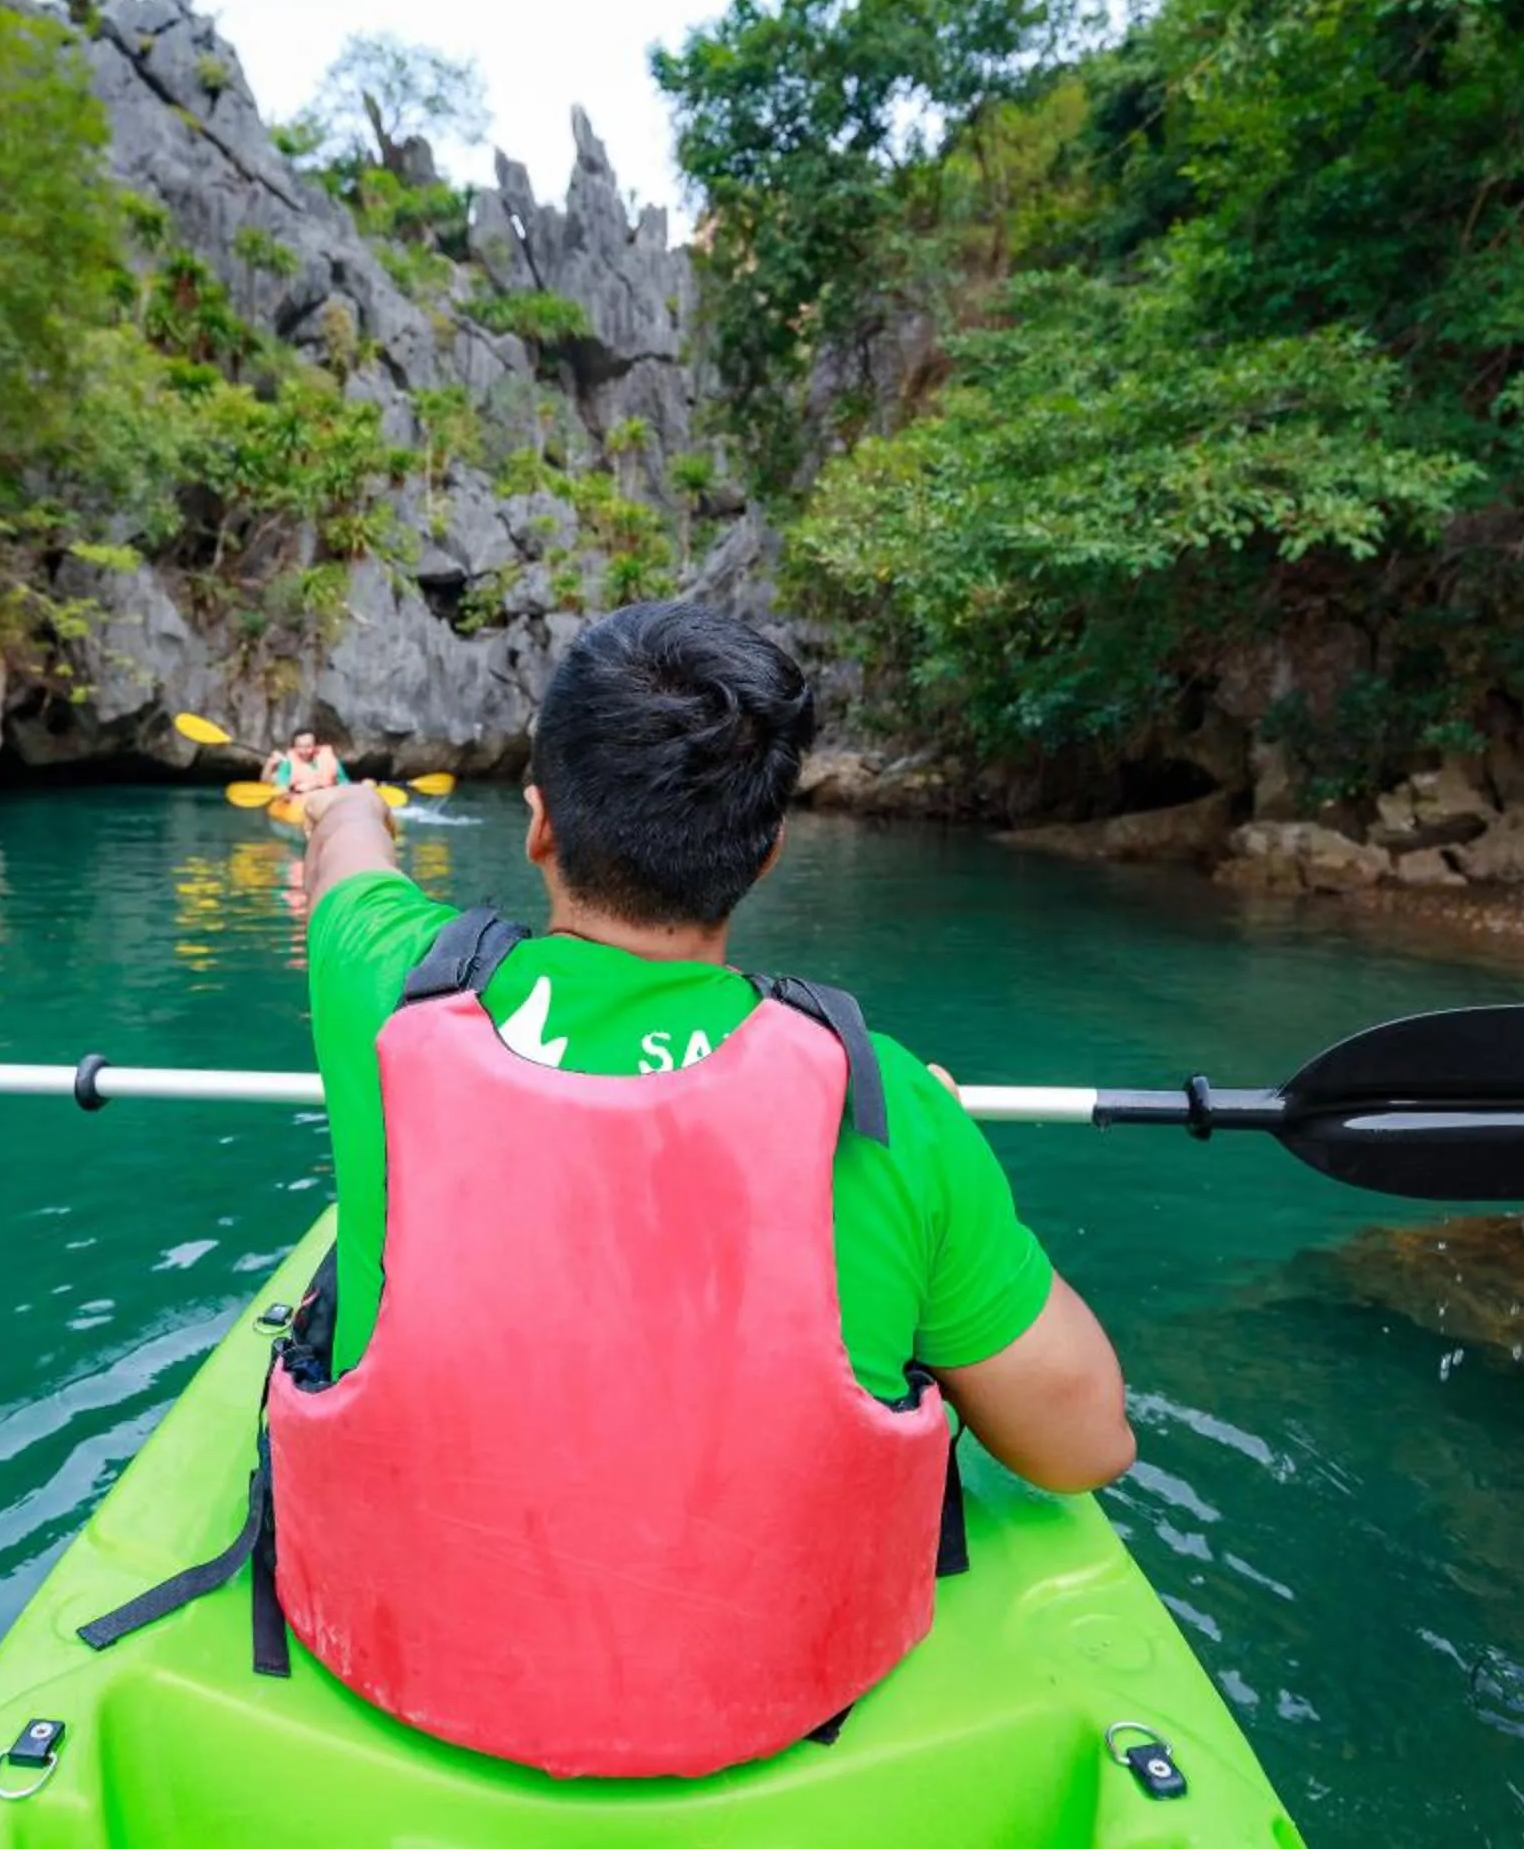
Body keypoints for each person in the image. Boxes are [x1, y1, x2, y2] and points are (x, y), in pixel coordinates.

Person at [272, 599, 1134, 1778]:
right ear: (766, 849)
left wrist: (344, 809)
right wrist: (938, 1153)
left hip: (394, 1664)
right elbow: (1083, 1442)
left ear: (538, 826)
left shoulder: (380, 980)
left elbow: (348, 874)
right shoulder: (880, 1100)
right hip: (785, 1700)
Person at [264, 729, 347, 797]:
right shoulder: (288, 763)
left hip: (326, 798)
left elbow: (344, 783)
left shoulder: (329, 759)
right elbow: (281, 784)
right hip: (300, 798)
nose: (303, 751)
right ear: (294, 747)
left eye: (308, 746)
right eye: (299, 746)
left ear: (316, 746)